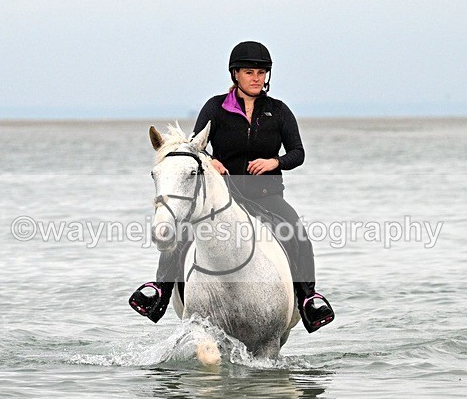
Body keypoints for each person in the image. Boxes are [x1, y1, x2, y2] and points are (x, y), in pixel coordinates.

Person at [129, 41, 335, 332]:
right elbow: (194, 147)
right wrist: (210, 160)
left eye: (261, 73)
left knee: (297, 233)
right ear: (235, 74)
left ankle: (308, 299)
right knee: (183, 229)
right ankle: (160, 290)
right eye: (249, 72)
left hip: (266, 194)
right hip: (224, 195)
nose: (256, 78)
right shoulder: (215, 107)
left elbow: (298, 153)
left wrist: (274, 162)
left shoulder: (279, 111)